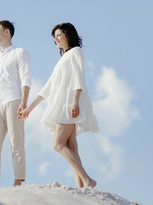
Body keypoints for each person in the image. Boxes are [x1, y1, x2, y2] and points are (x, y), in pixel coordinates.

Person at [18, 23, 98, 188]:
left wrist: (75, 100)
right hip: (62, 103)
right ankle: (81, 184)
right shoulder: (63, 59)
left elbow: (79, 77)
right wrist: (29, 109)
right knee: (71, 145)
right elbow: (48, 87)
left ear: (68, 35)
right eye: (54, 37)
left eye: (59, 35)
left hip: (68, 103)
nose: (56, 39)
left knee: (58, 144)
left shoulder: (76, 52)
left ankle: (87, 179)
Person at [0, 20, 31, 190]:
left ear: (7, 32)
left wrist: (24, 102)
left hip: (14, 101)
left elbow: (26, 78)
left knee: (16, 142)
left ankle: (18, 181)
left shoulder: (20, 52)